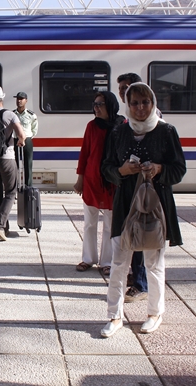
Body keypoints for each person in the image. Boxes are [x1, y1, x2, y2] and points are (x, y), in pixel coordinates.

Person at [100, 83, 186, 337]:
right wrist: (121, 171)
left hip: (155, 206)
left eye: (145, 102)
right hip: (125, 205)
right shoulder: (119, 132)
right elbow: (106, 167)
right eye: (135, 103)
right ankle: (114, 317)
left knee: (154, 264)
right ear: (127, 104)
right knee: (118, 263)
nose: (140, 108)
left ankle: (154, 313)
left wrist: (159, 169)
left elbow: (179, 169)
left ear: (153, 103)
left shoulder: (167, 131)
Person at [74, 92, 124, 276]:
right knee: (89, 223)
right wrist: (80, 179)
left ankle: (107, 261)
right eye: (94, 103)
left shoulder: (122, 125)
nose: (96, 107)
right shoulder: (92, 126)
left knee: (110, 223)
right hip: (92, 180)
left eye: (100, 104)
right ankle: (88, 258)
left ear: (110, 105)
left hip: (112, 182)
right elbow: (84, 153)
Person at [117, 73, 153, 303]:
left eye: (126, 88)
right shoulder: (124, 125)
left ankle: (142, 284)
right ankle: (136, 278)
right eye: (121, 89)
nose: (123, 92)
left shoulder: (156, 123)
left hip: (148, 192)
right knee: (134, 236)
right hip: (130, 190)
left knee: (144, 239)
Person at [0, 86, 26, 241]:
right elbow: (22, 135)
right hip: (7, 158)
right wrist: (20, 142)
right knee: (10, 192)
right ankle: (0, 226)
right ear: (2, 99)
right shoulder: (10, 114)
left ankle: (4, 228)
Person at [12, 92, 38, 186]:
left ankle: (28, 187)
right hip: (14, 140)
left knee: (28, 164)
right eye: (17, 98)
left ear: (26, 101)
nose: (19, 101)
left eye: (21, 99)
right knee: (14, 166)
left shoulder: (31, 115)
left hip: (27, 141)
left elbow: (34, 129)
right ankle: (14, 188)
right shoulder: (12, 114)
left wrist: (27, 137)